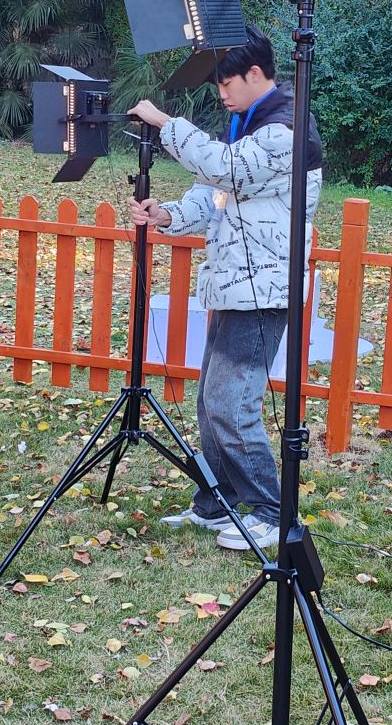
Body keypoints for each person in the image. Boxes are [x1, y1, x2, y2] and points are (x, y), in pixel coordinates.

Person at [127, 33, 320, 553]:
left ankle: (271, 513)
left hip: (263, 290)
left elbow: (226, 169)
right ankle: (217, 503)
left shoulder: (285, 127)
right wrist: (167, 215)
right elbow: (215, 194)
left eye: (227, 83)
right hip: (235, 284)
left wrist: (165, 124)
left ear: (255, 73)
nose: (222, 94)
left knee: (230, 404)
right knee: (211, 401)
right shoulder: (247, 123)